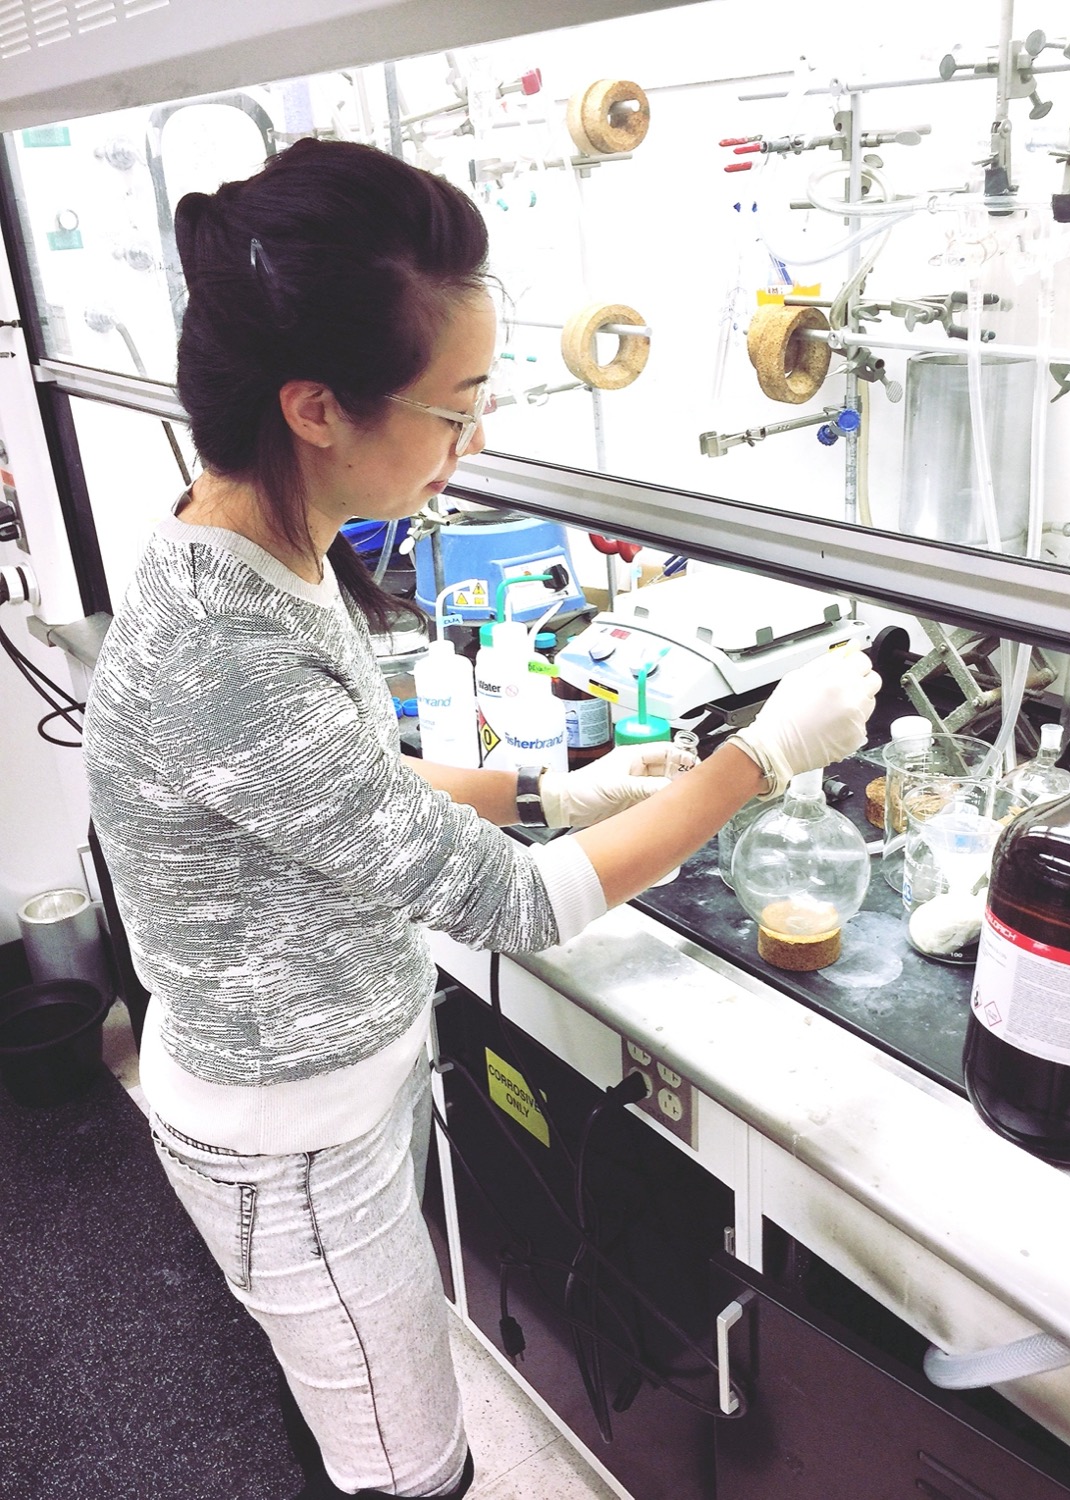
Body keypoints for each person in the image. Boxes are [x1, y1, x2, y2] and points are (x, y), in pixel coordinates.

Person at [82, 138, 879, 1499]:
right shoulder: (226, 646)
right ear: (316, 406)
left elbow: (343, 782)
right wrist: (759, 755)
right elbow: (511, 906)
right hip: (295, 1139)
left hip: (316, 1083)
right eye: (456, 410)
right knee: (408, 1465)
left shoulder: (252, 545)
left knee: (352, 1412)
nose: (476, 443)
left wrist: (542, 791)